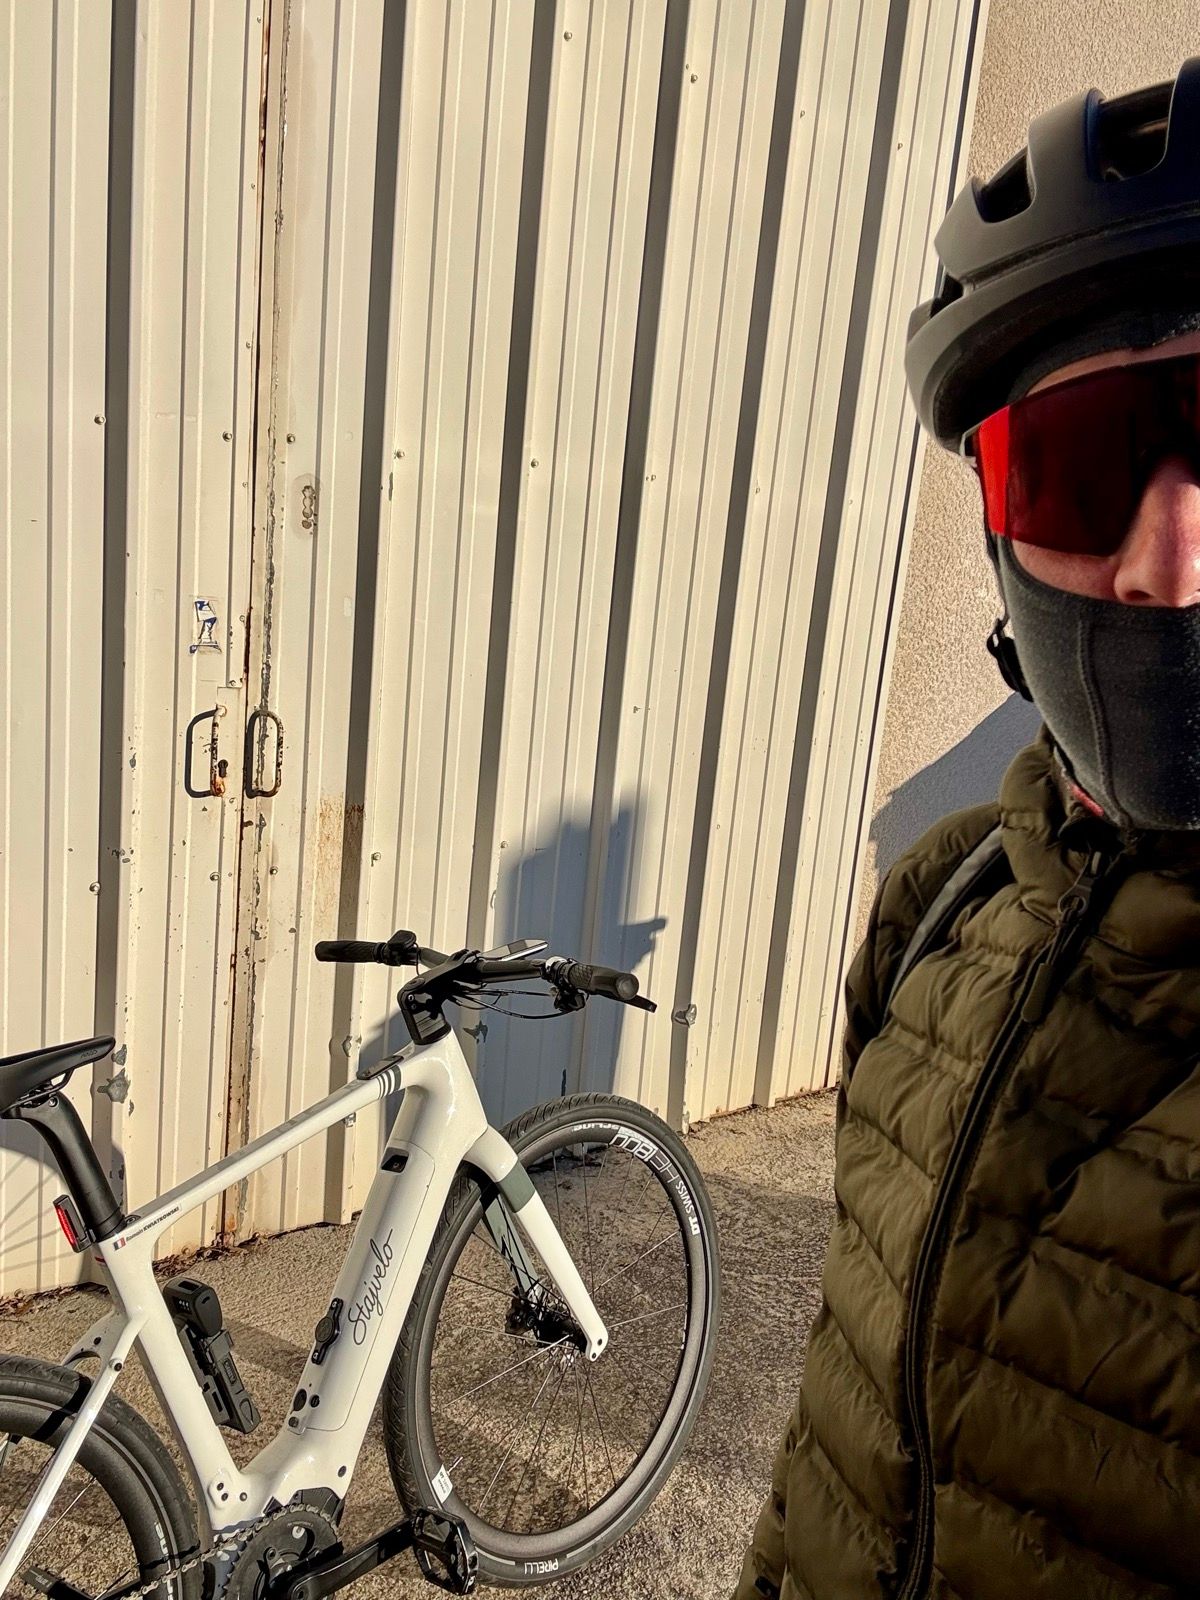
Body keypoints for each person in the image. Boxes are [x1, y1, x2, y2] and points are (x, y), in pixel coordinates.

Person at [735, 58, 1200, 1600]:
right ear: (996, 529)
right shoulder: (944, 905)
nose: (1170, 563)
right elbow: (846, 1421)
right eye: (1080, 464)